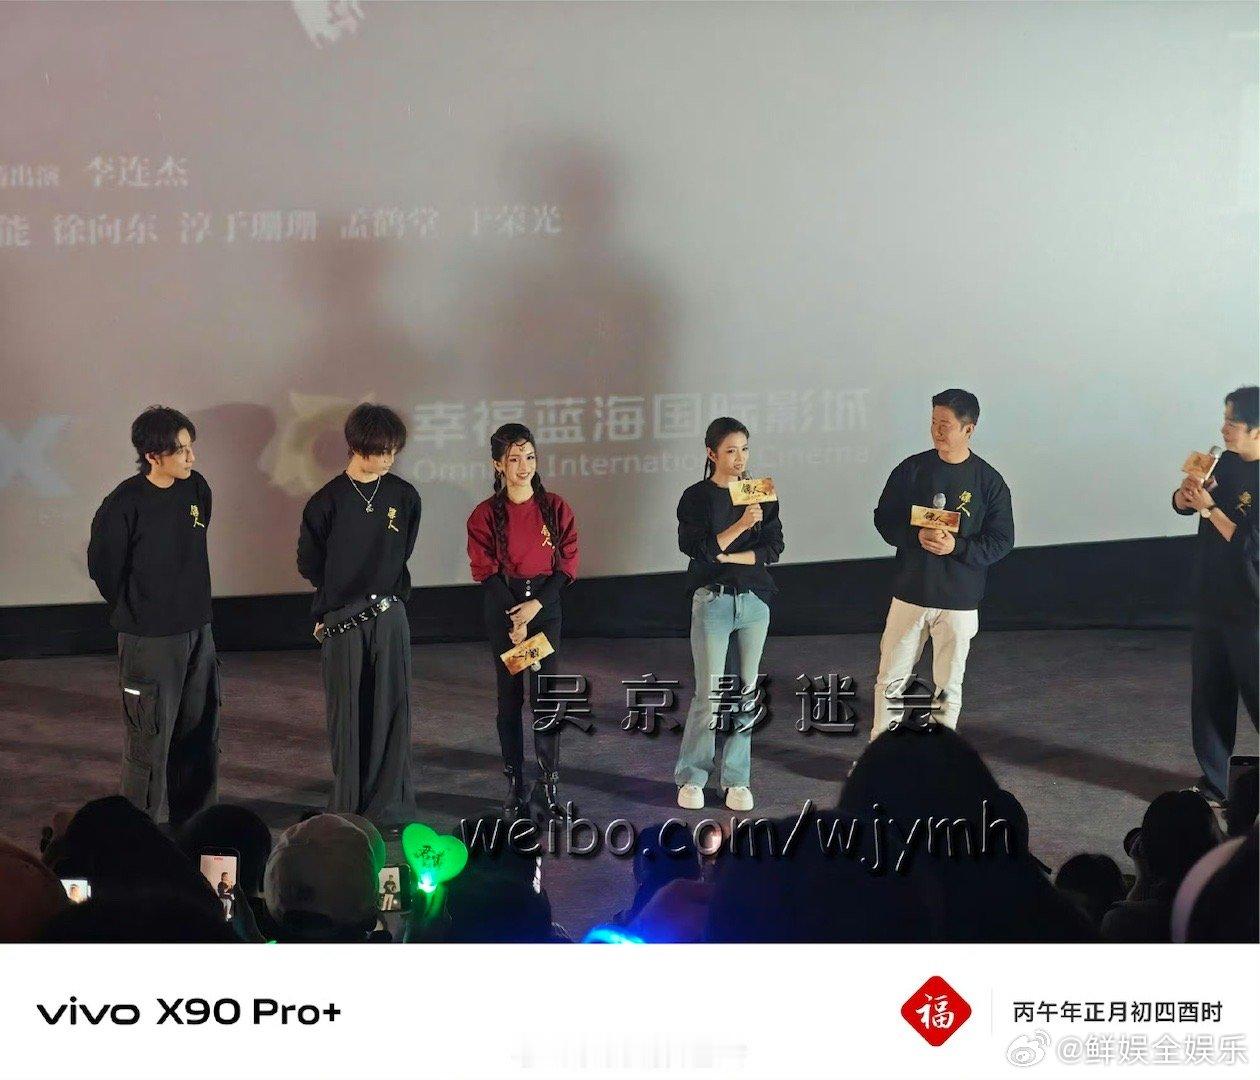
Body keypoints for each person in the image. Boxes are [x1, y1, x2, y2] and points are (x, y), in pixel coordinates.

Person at [87, 406, 219, 827]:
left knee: (199, 731)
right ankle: (140, 829)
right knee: (149, 739)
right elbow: (104, 568)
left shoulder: (196, 488)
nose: (191, 457)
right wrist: (141, 607)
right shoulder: (124, 503)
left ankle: (195, 823)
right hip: (150, 639)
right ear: (152, 455)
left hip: (197, 630)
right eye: (181, 450)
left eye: (191, 447)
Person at [297, 404, 421, 829]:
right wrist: (340, 594)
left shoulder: (404, 496)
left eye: (393, 451)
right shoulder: (326, 502)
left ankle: (392, 806)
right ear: (356, 446)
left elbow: (403, 550)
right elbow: (309, 563)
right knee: (347, 716)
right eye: (381, 451)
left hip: (389, 614)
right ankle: (349, 805)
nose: (388, 460)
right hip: (343, 619)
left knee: (392, 709)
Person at [871, 389, 1014, 737]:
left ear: (969, 429)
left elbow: (1001, 541)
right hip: (911, 592)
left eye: (945, 424)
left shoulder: (989, 482)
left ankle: (943, 755)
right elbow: (884, 518)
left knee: (948, 684)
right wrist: (914, 536)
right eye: (933, 422)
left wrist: (956, 546)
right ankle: (879, 752)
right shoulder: (912, 469)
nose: (937, 431)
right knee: (891, 678)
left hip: (959, 600)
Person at [466, 424, 580, 820]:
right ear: (498, 464)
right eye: (513, 459)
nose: (523, 466)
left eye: (529, 457)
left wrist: (536, 607)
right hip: (505, 607)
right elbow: (485, 569)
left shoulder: (555, 507)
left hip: (544, 609)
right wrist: (515, 617)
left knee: (546, 695)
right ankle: (515, 783)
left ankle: (549, 783)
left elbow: (566, 564)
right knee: (510, 697)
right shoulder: (485, 514)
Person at [674, 417, 784, 811]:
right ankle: (693, 776)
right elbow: (698, 549)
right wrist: (740, 525)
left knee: (747, 692)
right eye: (731, 450)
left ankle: (737, 779)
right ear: (712, 453)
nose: (740, 458)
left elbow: (774, 547)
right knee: (709, 693)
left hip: (754, 599)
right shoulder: (697, 497)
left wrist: (733, 556)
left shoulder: (759, 491)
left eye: (745, 449)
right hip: (713, 600)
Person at [1172, 386, 1259, 806]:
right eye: (1223, 419)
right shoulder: (1223, 462)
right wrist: (1186, 496)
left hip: (1251, 609)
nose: (1223, 429)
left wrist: (1209, 508)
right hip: (1211, 600)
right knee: (1209, 696)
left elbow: (1251, 545)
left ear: (1257, 430)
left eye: (1232, 422)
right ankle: (1215, 783)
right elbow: (1182, 505)